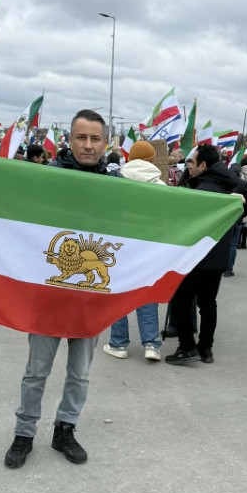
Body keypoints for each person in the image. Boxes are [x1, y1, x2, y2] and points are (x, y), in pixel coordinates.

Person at [4, 110, 108, 470]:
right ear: (70, 140)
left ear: (105, 144)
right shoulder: (44, 179)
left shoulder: (118, 189)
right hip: (48, 295)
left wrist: (228, 201)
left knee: (80, 374)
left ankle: (65, 428)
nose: (88, 145)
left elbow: (165, 212)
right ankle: (24, 432)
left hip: (91, 302)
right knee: (36, 371)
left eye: (95, 139)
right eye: (81, 137)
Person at [165, 144, 243, 366]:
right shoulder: (228, 184)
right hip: (218, 256)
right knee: (208, 302)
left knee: (180, 300)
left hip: (198, 256)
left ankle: (187, 346)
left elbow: (185, 222)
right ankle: (206, 348)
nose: (188, 166)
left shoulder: (203, 190)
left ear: (203, 165)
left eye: (191, 162)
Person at [103, 140, 165, 361]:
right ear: (151, 160)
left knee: (118, 293)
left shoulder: (113, 180)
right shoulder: (161, 187)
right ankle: (151, 344)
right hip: (149, 249)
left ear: (129, 158)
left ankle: (118, 344)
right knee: (147, 294)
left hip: (118, 247)